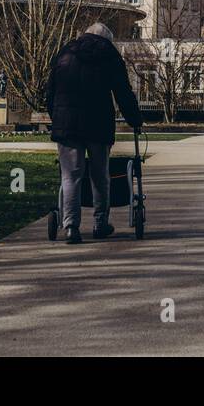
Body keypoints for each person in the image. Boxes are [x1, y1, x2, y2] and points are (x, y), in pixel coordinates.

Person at [45, 21, 142, 244]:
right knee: (100, 175)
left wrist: (56, 117)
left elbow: (50, 91)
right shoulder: (109, 55)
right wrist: (135, 119)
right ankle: (100, 223)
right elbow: (123, 92)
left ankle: (70, 227)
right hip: (98, 123)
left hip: (67, 124)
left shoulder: (65, 53)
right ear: (107, 39)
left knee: (71, 176)